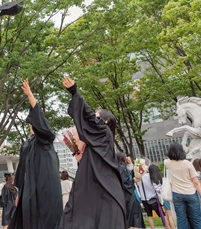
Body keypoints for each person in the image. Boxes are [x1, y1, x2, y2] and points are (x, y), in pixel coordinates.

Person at [58, 77, 126, 229]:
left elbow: (87, 115)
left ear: (105, 121)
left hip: (102, 186)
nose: (93, 118)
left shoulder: (104, 132)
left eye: (97, 116)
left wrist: (74, 91)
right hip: (98, 184)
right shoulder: (101, 140)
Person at [10, 79, 62, 229]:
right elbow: (22, 170)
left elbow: (41, 122)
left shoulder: (45, 141)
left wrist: (30, 96)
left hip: (45, 189)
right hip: (29, 191)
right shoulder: (27, 144)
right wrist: (19, 193)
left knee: (46, 221)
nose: (34, 126)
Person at [164, 143, 201, 229]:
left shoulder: (168, 163)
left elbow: (167, 159)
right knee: (197, 219)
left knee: (181, 219)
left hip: (177, 194)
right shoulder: (187, 164)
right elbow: (196, 182)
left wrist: (171, 155)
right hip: (190, 193)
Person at [117, 152, 145, 229]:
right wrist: (134, 180)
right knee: (135, 219)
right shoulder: (122, 168)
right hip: (130, 197)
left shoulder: (118, 168)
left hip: (125, 197)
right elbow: (125, 182)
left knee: (128, 220)